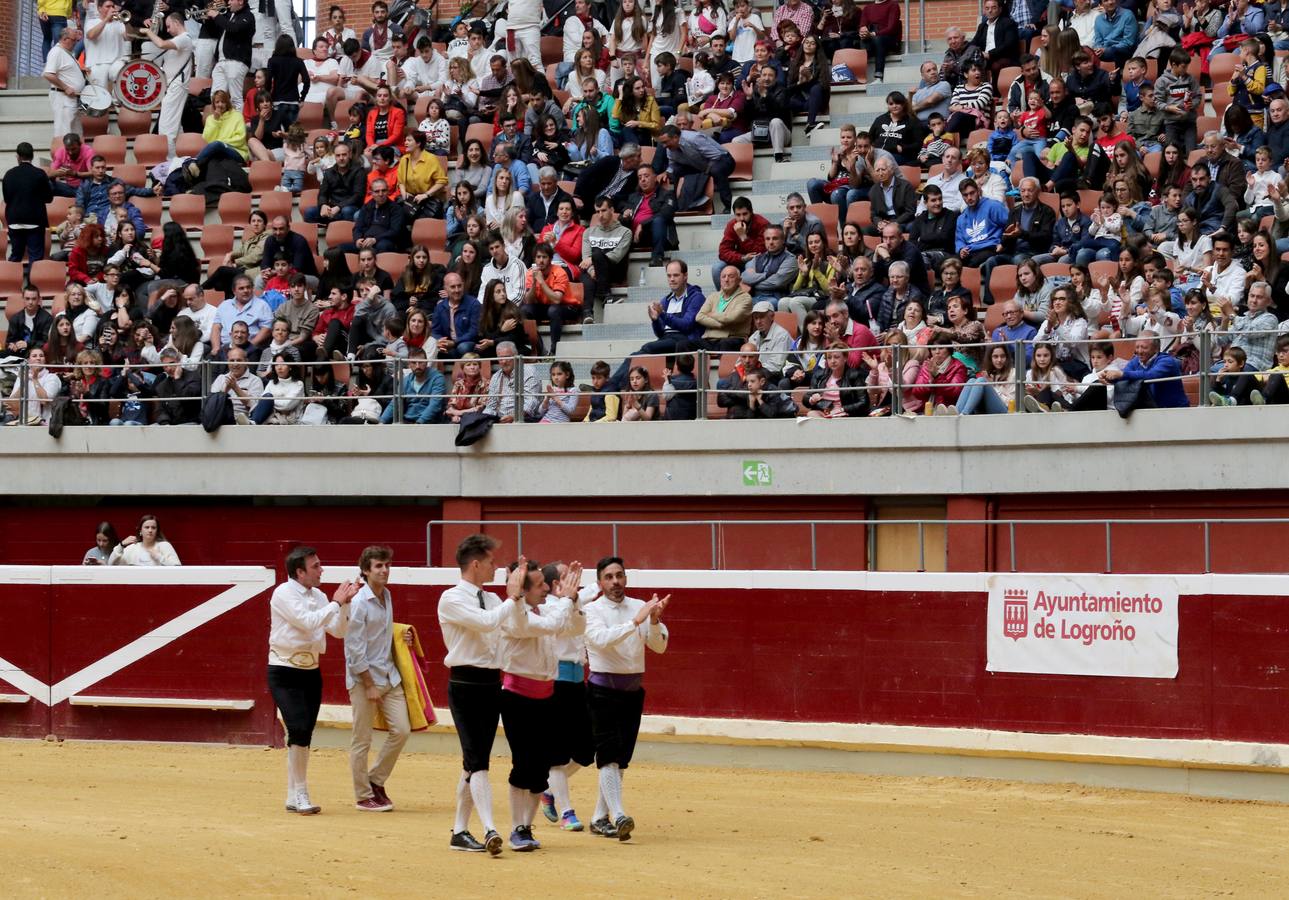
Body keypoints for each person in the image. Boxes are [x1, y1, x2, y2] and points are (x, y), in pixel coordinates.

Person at [438, 534, 529, 855]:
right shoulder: (451, 598)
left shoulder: (492, 598)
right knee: (478, 761)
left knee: (473, 761)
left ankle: (460, 831)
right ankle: (490, 828)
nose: (495, 567)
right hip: (464, 685)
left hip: (492, 684)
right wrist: (511, 597)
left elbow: (515, 627)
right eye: (491, 562)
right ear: (475, 564)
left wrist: (518, 597)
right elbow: (487, 623)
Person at [583, 556, 670, 841]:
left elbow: (658, 647)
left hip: (632, 692)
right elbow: (601, 640)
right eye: (609, 577)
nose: (615, 581)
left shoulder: (640, 607)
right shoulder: (592, 610)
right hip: (602, 691)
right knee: (608, 755)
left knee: (620, 759)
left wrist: (653, 621)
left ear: (626, 578)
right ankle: (619, 814)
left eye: (619, 575)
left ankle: (599, 818)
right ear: (600, 583)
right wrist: (636, 621)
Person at [268, 546, 359, 816]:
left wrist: (346, 604)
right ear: (300, 572)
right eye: (316, 566)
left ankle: (293, 794)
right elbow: (308, 622)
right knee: (297, 728)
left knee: (304, 732)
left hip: (310, 671)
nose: (322, 570)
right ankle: (301, 791)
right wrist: (336, 603)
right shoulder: (283, 593)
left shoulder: (319, 596)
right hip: (284, 669)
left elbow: (338, 631)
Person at [343, 545, 412, 813]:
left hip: (388, 674)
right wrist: (369, 685)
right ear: (365, 570)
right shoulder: (359, 602)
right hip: (364, 680)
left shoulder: (387, 595)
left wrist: (402, 634)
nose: (384, 570)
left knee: (402, 730)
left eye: (387, 565)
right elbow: (354, 649)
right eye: (378, 566)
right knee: (361, 739)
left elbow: (382, 631)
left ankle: (375, 780)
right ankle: (363, 796)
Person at [141, 13, 195, 157]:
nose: (168, 30)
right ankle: (176, 158)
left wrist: (148, 32)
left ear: (177, 23)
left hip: (176, 86)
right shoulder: (178, 40)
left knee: (166, 128)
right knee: (174, 127)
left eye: (169, 26)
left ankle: (169, 160)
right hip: (172, 86)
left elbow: (161, 44)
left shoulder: (184, 38)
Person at [655, 124, 735, 215]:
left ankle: (729, 205)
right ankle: (675, 204)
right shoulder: (669, 148)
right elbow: (673, 164)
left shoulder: (694, 138)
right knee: (673, 172)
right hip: (698, 165)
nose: (664, 146)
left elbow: (716, 156)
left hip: (723, 160)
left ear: (675, 137)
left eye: (666, 142)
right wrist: (666, 172)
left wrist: (706, 172)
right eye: (663, 143)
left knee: (716, 170)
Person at [3, 143, 53, 268]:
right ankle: (32, 281)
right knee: (35, 258)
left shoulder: (9, 174)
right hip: (35, 221)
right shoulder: (40, 174)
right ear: (32, 156)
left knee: (16, 255)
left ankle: (10, 279)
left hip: (14, 221)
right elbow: (49, 198)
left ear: (18, 156)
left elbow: (7, 199)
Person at [620, 164, 677, 267]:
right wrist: (624, 216)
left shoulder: (666, 194)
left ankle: (657, 258)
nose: (643, 180)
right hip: (636, 237)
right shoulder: (633, 197)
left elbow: (667, 213)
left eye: (646, 176)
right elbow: (624, 215)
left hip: (658, 236)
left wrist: (643, 224)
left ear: (655, 178)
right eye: (640, 177)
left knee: (658, 220)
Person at [208, 0, 256, 111]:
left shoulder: (248, 16)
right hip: (221, 61)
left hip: (236, 61)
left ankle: (238, 122)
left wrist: (217, 16)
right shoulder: (229, 15)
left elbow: (234, 28)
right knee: (215, 97)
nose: (228, 2)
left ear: (240, 1)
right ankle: (220, 121)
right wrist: (212, 18)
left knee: (235, 98)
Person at [42, 25, 83, 139]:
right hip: (63, 97)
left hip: (71, 98)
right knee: (63, 132)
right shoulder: (56, 52)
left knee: (75, 134)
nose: (75, 43)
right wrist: (66, 87)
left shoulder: (67, 52)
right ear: (65, 39)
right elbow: (48, 74)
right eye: (74, 40)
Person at [970, 0, 1020, 87]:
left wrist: (990, 54)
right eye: (987, 8)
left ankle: (995, 92)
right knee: (970, 65)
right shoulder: (982, 26)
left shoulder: (1008, 23)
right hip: (985, 58)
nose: (990, 10)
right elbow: (974, 42)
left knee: (995, 66)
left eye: (993, 8)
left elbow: (1009, 44)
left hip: (1003, 57)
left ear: (1000, 9)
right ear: (984, 11)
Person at [108, 514, 181, 566]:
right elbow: (111, 563)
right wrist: (121, 545)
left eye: (153, 527)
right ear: (140, 530)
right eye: (147, 527)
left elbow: (177, 566)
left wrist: (159, 557)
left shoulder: (164, 546)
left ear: (157, 531)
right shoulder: (133, 548)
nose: (150, 530)